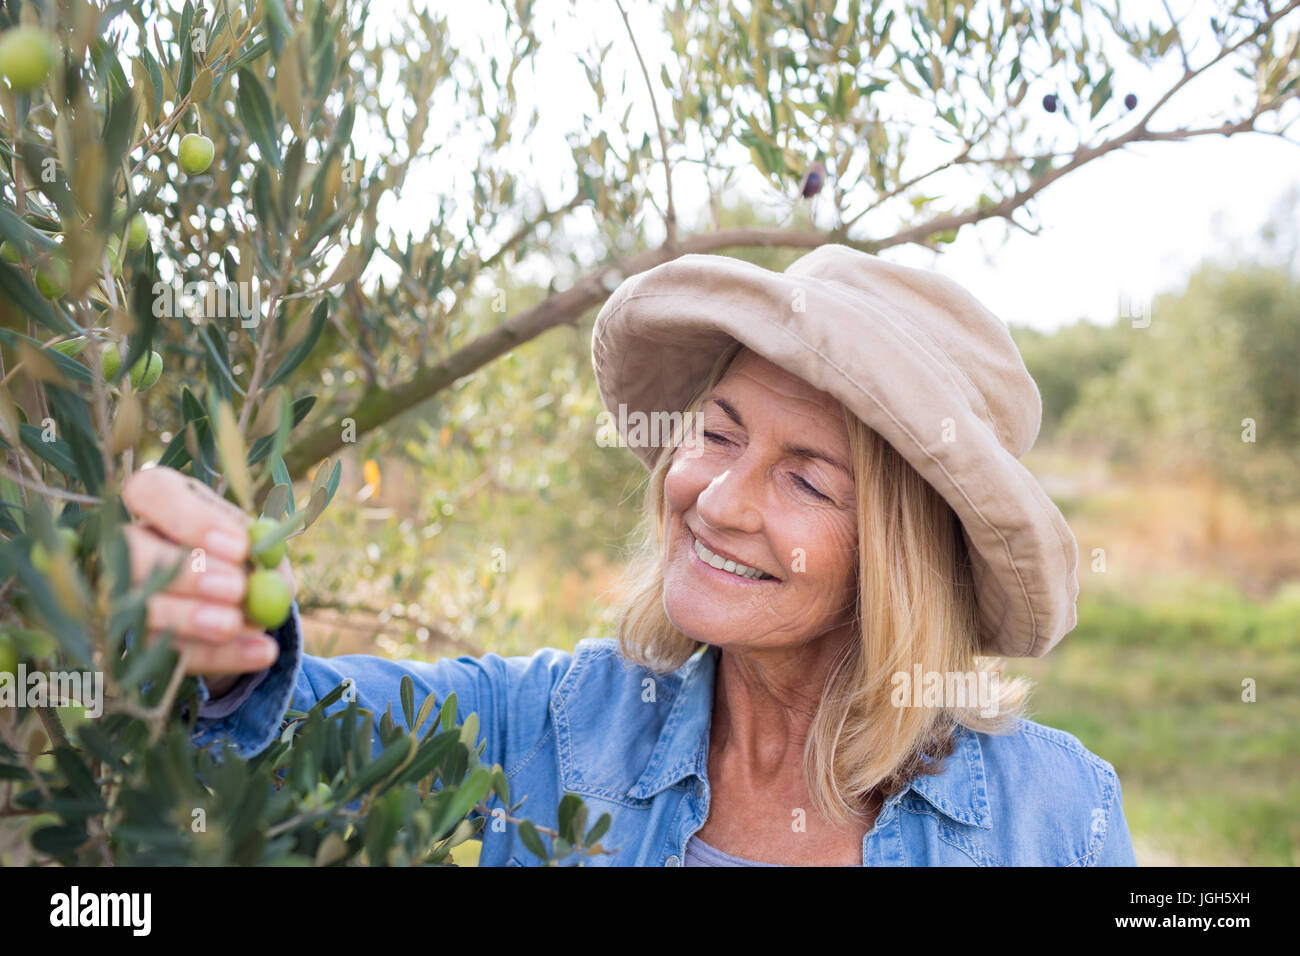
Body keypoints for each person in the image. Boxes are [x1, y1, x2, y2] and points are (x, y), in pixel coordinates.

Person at [122, 244, 1137, 866]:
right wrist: (222, 639)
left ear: (901, 563)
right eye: (720, 432)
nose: (716, 497)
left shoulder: (1055, 818)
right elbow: (297, 729)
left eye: (807, 479)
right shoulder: (549, 727)